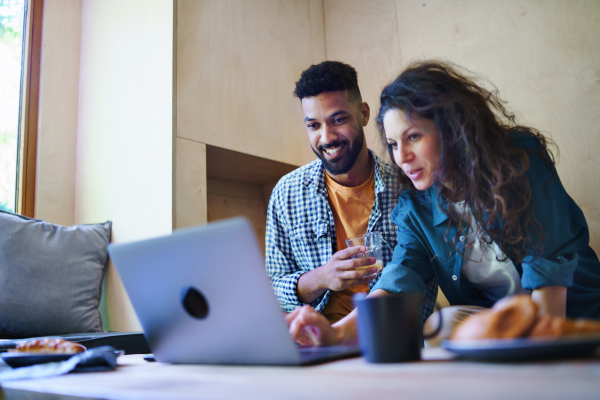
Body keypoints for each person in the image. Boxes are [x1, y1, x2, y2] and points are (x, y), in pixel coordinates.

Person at [287, 61, 600, 346]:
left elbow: (549, 264)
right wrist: (335, 332)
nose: (402, 157)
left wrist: (542, 348)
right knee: (441, 324)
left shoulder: (518, 158)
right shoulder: (415, 208)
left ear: (450, 128)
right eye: (394, 144)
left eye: (413, 137)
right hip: (500, 326)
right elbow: (396, 283)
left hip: (571, 314)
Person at [266, 60, 439, 324]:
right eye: (313, 125)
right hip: (315, 343)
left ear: (365, 114)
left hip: (394, 341)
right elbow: (271, 292)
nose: (326, 137)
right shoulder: (286, 193)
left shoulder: (408, 186)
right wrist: (321, 277)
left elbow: (421, 279)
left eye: (338, 119)